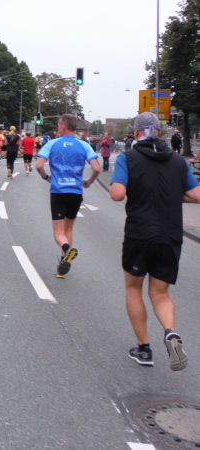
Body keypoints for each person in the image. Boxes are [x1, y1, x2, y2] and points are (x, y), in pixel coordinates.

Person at [110, 112, 200, 370]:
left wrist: (132, 189)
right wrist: (171, 194)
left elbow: (117, 194)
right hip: (170, 236)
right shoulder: (178, 161)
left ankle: (144, 349)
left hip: (139, 234)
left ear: (137, 132)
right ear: (159, 132)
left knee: (133, 288)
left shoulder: (128, 158)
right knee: (160, 293)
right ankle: (170, 332)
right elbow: (196, 195)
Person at [35, 114, 100, 278]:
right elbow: (97, 168)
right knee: (68, 228)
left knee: (58, 232)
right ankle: (64, 265)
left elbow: (39, 165)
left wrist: (46, 177)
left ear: (63, 126)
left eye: (58, 125)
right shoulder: (84, 145)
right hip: (76, 192)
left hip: (58, 191)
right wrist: (89, 182)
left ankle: (66, 248)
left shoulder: (52, 144)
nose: (58, 128)